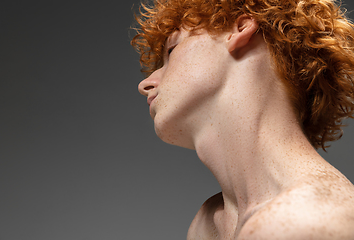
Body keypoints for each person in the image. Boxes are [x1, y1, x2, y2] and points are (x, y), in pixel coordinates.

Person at [131, 0, 354, 239]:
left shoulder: (305, 220)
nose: (145, 84)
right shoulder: (208, 225)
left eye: (172, 50)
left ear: (240, 29)